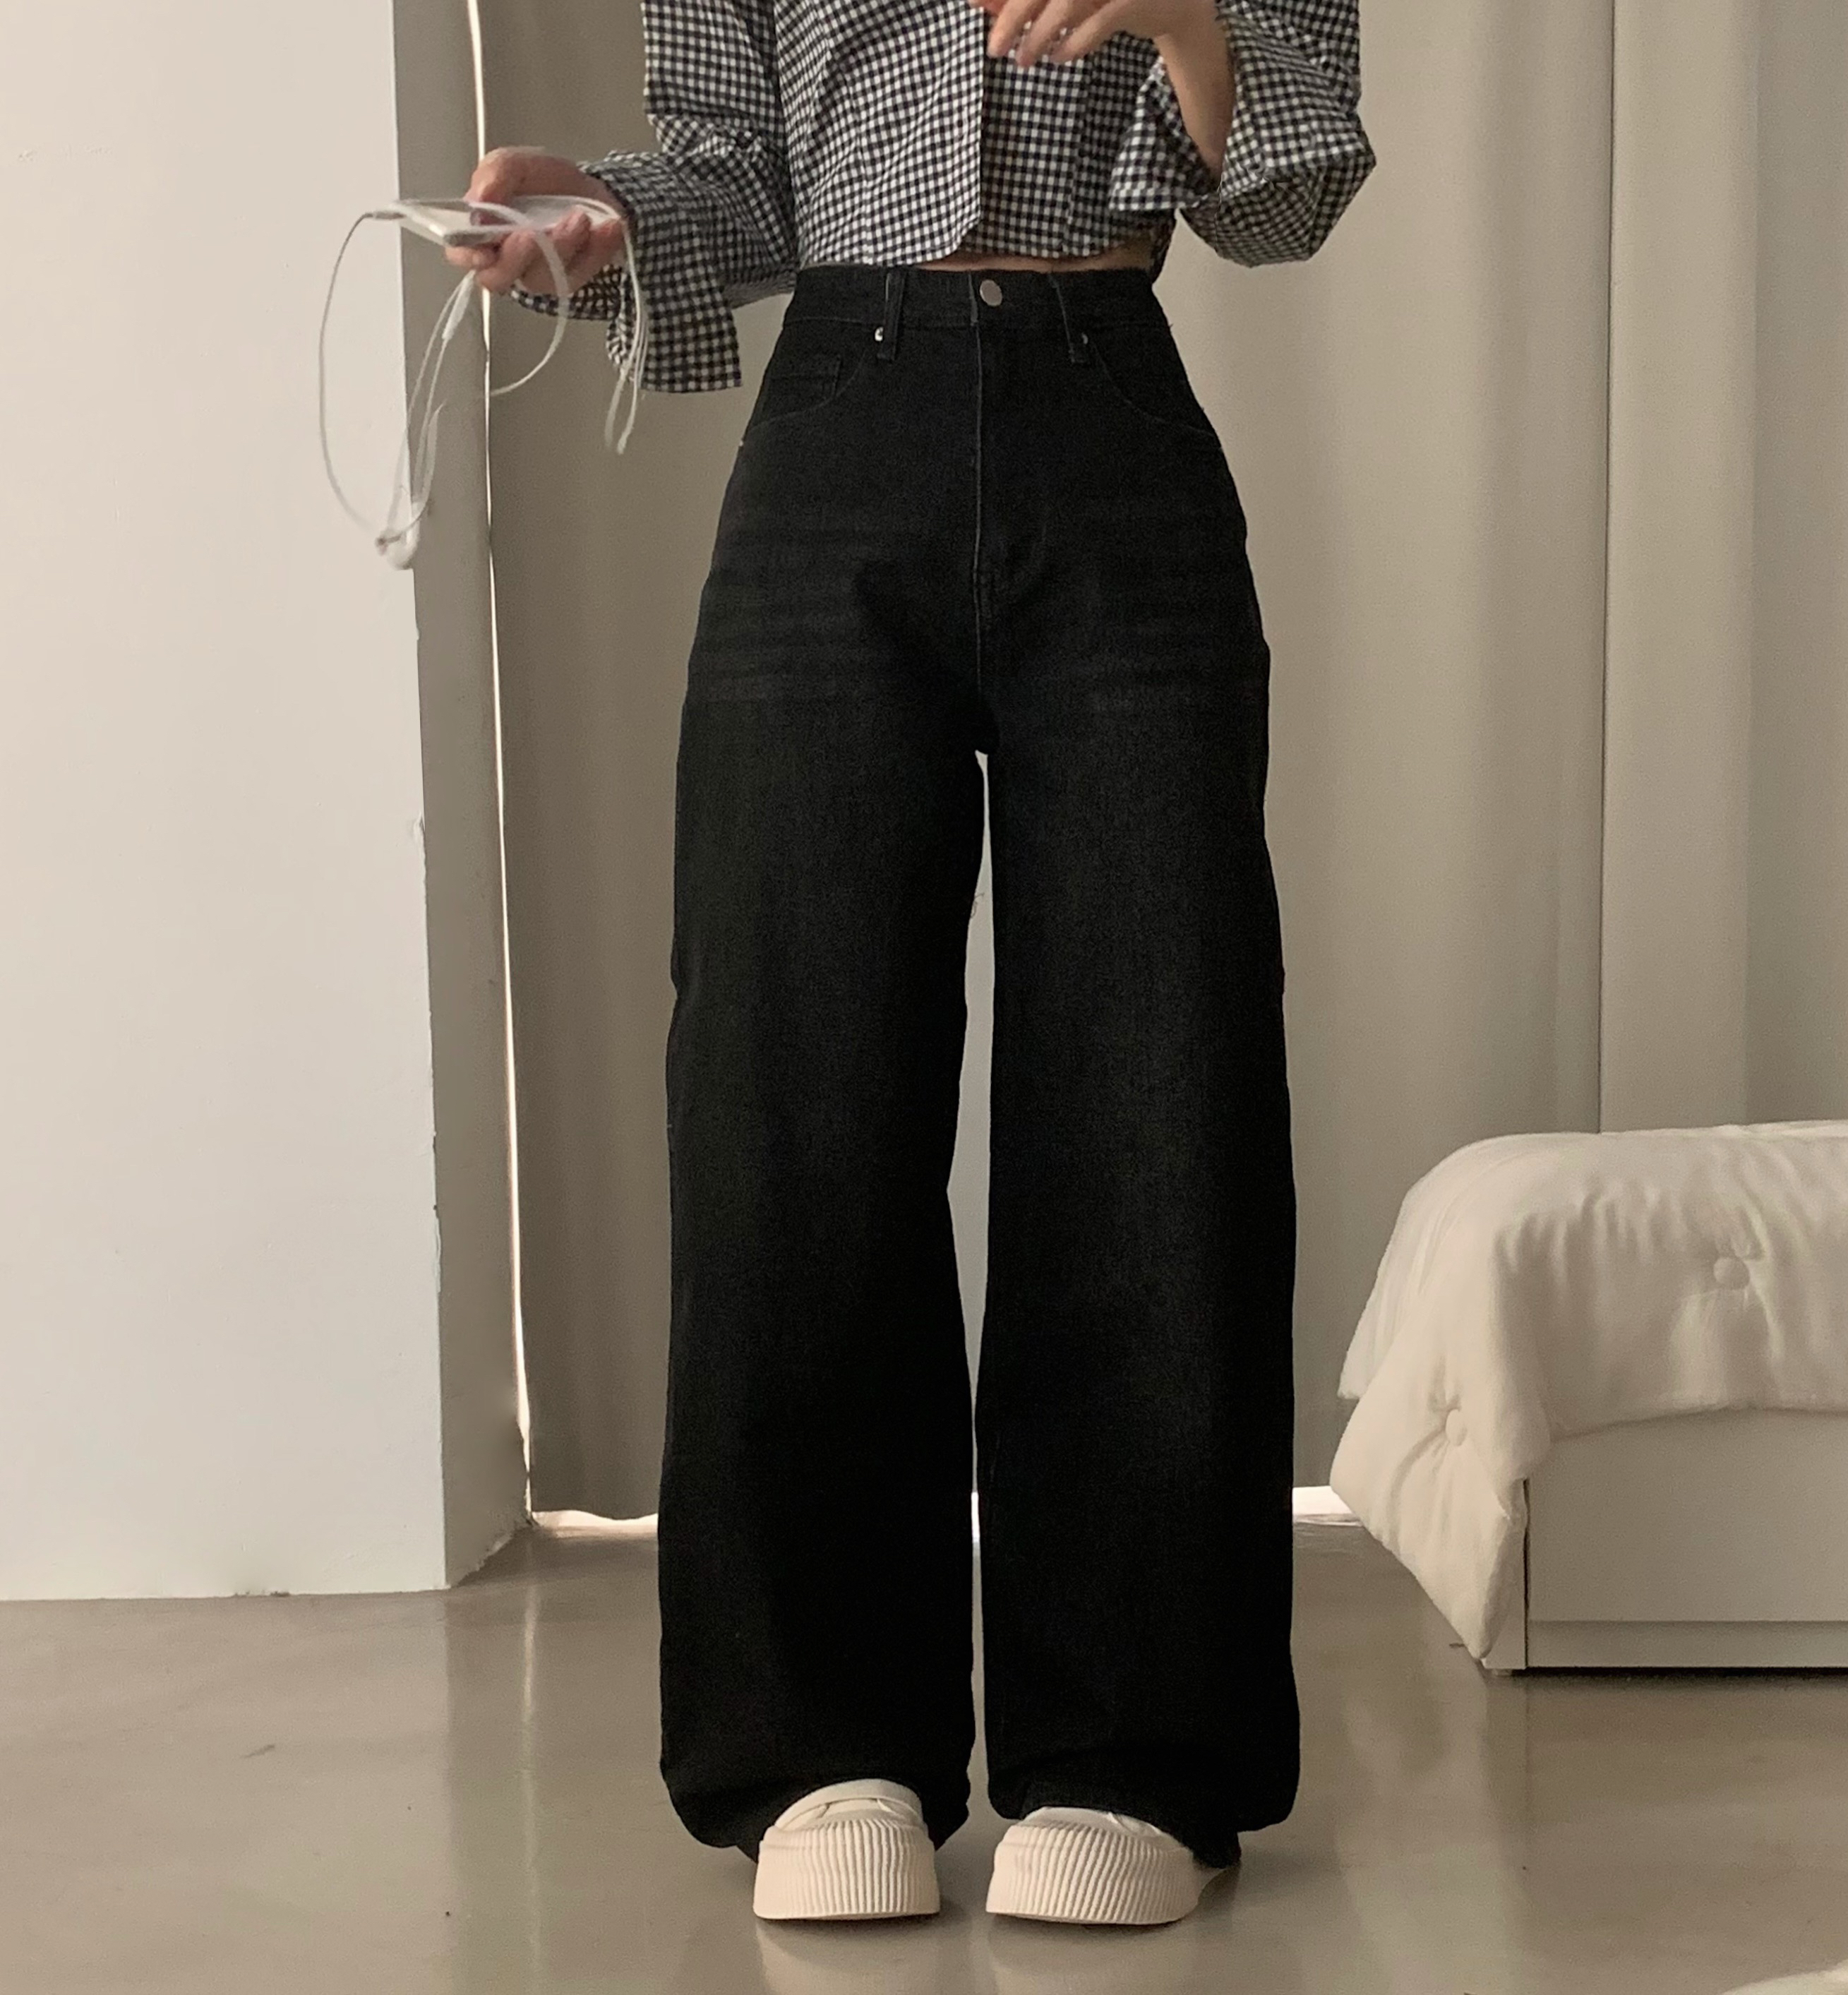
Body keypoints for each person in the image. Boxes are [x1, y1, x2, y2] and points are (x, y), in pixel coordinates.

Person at [448, 0, 1373, 1931]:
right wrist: (604, 227)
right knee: (787, 1079)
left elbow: (1287, 198)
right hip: (833, 432)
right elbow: (736, 170)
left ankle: (1129, 1752)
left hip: (1114, 414)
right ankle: (818, 1744)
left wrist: (1183, 17)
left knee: (1157, 1068)